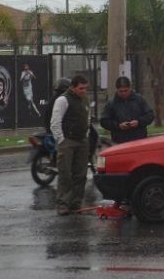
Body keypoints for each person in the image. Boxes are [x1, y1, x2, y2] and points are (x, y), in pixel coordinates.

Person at [50, 75, 91, 216]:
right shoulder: (63, 100)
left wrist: (86, 134)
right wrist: (61, 140)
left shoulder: (84, 99)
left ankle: (76, 204)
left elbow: (87, 116)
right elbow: (55, 122)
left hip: (82, 141)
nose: (83, 91)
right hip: (68, 141)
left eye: (85, 88)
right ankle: (63, 204)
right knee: (65, 174)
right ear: (73, 87)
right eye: (81, 88)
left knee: (81, 174)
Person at [100, 76, 154, 144]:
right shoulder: (111, 103)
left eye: (126, 90)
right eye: (121, 91)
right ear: (117, 90)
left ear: (130, 88)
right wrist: (118, 126)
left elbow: (150, 115)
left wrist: (139, 122)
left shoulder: (139, 100)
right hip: (119, 141)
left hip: (139, 139)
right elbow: (104, 121)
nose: (123, 93)